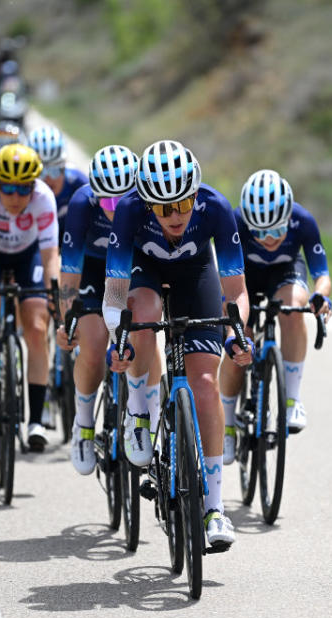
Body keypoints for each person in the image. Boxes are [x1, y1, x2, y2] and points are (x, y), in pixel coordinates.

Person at [102, 139, 251, 549]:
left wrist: (239, 333)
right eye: (163, 208)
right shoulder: (130, 210)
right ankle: (139, 409)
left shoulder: (216, 207)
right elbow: (115, 295)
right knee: (143, 314)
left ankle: (215, 510)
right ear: (147, 202)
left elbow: (236, 292)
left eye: (182, 204)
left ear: (194, 196)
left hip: (196, 274)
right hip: (144, 271)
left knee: (205, 383)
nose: (175, 215)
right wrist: (120, 339)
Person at [55, 145, 163, 474]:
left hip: (134, 267)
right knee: (94, 338)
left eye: (122, 199)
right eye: (107, 201)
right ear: (95, 195)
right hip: (91, 270)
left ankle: (144, 414)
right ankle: (83, 426)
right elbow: (69, 274)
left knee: (143, 328)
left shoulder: (144, 205)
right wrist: (66, 322)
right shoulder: (81, 205)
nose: (115, 208)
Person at [218, 170, 332, 461]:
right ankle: (227, 424)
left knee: (294, 306)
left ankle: (291, 400)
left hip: (285, 273)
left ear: (288, 219)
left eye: (276, 231)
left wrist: (321, 296)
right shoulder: (235, 221)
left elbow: (321, 273)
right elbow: (223, 277)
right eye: (260, 232)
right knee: (237, 338)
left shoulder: (303, 220)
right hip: (243, 278)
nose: (268, 239)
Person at [0, 144, 60, 454]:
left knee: (36, 326)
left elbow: (50, 256)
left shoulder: (44, 199)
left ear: (33, 186)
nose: (16, 197)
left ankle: (36, 421)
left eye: (23, 188)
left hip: (27, 256)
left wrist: (54, 292)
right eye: (8, 188)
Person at [28, 125, 89, 426]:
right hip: (43, 252)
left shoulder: (79, 182)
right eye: (43, 169)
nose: (50, 177)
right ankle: (46, 374)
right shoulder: (29, 191)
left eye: (56, 168)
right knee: (41, 303)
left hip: (74, 251)